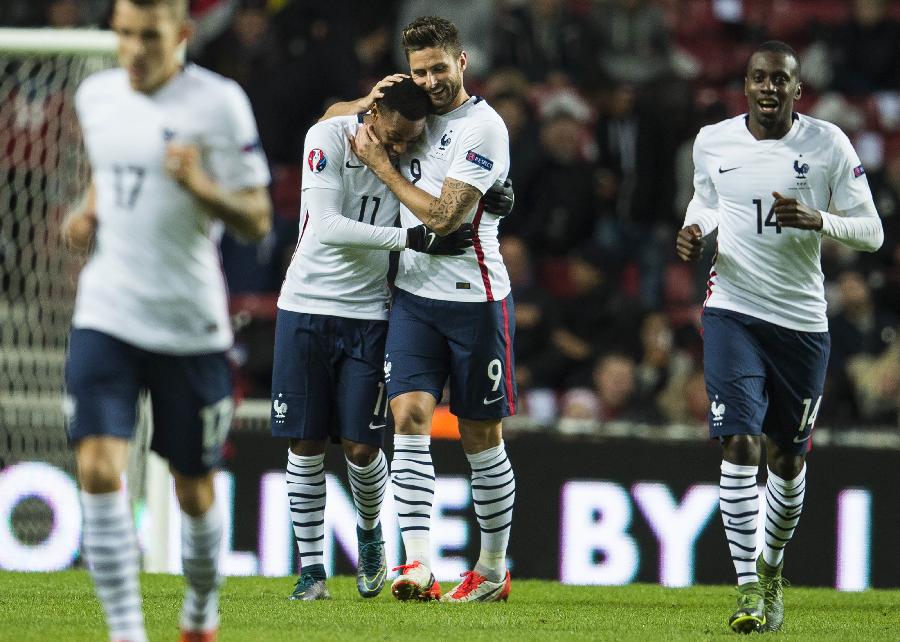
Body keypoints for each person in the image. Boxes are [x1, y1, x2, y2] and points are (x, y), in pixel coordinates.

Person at [61, 1, 273, 641]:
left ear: (181, 36)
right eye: (124, 35)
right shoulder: (96, 95)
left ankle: (200, 612)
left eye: (149, 37)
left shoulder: (219, 103)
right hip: (107, 312)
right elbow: (111, 167)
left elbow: (258, 218)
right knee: (98, 468)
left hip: (190, 327)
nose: (134, 50)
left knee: (194, 490)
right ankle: (127, 632)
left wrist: (203, 187)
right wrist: (88, 211)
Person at [676, 41, 884, 634]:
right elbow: (707, 197)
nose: (769, 88)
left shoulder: (828, 145)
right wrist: (696, 228)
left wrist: (822, 220)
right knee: (739, 444)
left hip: (800, 323)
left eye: (781, 80)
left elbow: (871, 231)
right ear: (745, 85)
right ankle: (746, 589)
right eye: (759, 78)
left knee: (787, 461)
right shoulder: (713, 140)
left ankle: (771, 569)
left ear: (798, 89)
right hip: (732, 310)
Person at [329, 16, 516, 603]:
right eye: (419, 71)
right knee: (408, 419)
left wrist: (383, 167)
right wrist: (369, 100)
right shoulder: (409, 110)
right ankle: (418, 564)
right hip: (413, 295)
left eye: (439, 68)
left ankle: (490, 571)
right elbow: (326, 125)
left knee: (480, 436)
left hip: (476, 299)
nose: (431, 81)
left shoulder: (483, 127)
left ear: (462, 63)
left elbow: (444, 217)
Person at [272, 77, 476, 602]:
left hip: (368, 314)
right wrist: (408, 238)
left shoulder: (412, 150)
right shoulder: (327, 139)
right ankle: (312, 570)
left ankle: (369, 537)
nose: (404, 147)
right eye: (396, 135)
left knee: (363, 448)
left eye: (413, 139)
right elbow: (326, 226)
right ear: (374, 112)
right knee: (306, 443)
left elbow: (450, 186)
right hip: (304, 307)